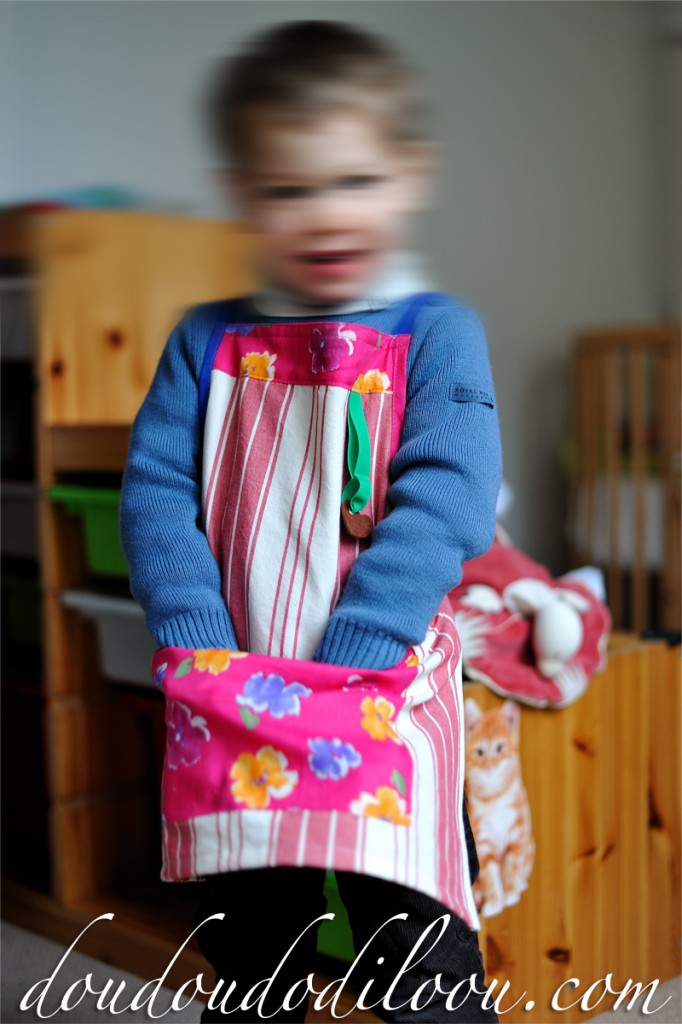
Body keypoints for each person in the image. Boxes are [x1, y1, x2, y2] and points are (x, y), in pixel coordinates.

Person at [119, 20, 502, 1023]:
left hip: (383, 686)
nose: (327, 214)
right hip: (238, 691)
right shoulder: (203, 340)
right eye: (290, 190)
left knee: (415, 944)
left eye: (356, 182)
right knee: (254, 945)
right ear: (244, 197)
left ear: (410, 175)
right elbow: (154, 492)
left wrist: (366, 641)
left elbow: (448, 496)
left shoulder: (436, 332)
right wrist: (194, 630)